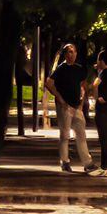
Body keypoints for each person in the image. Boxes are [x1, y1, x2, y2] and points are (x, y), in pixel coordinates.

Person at [45, 42, 95, 174]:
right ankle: (64, 161)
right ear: (65, 54)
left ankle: (87, 162)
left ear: (76, 54)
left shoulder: (79, 69)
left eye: (73, 52)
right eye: (68, 52)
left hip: (76, 106)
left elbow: (83, 85)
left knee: (81, 134)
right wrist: (60, 99)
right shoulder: (61, 68)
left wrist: (81, 101)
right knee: (65, 135)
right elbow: (49, 83)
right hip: (64, 106)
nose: (71, 54)